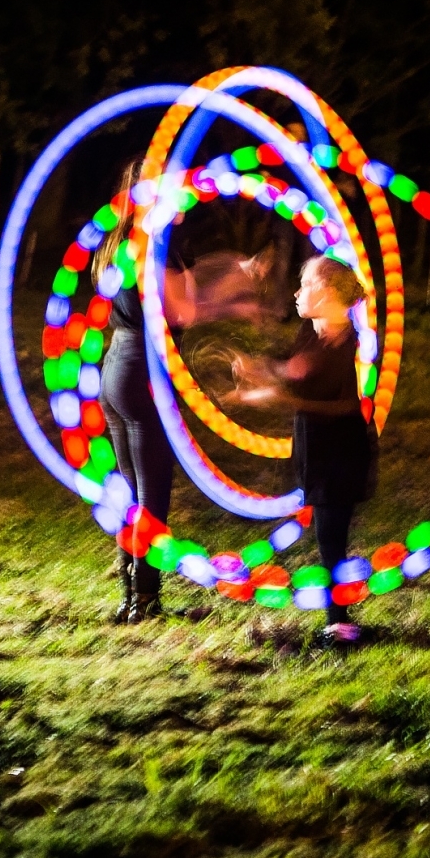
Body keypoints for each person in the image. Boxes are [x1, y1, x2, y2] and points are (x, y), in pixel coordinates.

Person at [93, 161, 264, 623]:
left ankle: (131, 590)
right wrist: (235, 290)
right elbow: (184, 312)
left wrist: (230, 284)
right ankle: (144, 600)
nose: (188, 192)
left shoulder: (120, 244)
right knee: (151, 490)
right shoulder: (158, 249)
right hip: (144, 371)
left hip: (117, 367)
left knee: (132, 488)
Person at [229, 256, 374, 649]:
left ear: (326, 295)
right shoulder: (311, 333)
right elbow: (293, 372)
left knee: (331, 535)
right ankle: (337, 618)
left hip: (342, 449)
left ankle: (339, 624)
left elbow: (350, 407)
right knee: (327, 533)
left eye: (305, 283)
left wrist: (280, 395)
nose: (296, 292)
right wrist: (252, 385)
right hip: (314, 445)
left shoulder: (353, 346)